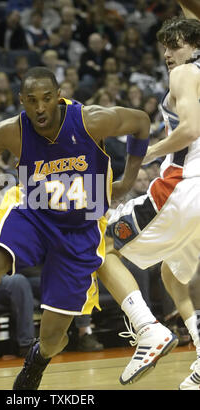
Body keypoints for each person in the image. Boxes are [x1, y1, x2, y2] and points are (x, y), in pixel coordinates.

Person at [0, 66, 175, 391]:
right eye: (32, 101)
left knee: (52, 336)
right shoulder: (10, 132)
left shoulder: (91, 120)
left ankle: (38, 359)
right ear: (22, 101)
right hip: (31, 213)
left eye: (46, 99)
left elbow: (142, 122)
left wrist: (127, 180)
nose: (40, 107)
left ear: (58, 96)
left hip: (79, 227)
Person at [105, 15, 200, 390]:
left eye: (174, 44)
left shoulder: (184, 74)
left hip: (183, 187)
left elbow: (191, 128)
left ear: (194, 45)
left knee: (101, 245)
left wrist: (149, 153)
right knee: (172, 275)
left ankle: (149, 331)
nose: (167, 53)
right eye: (163, 46)